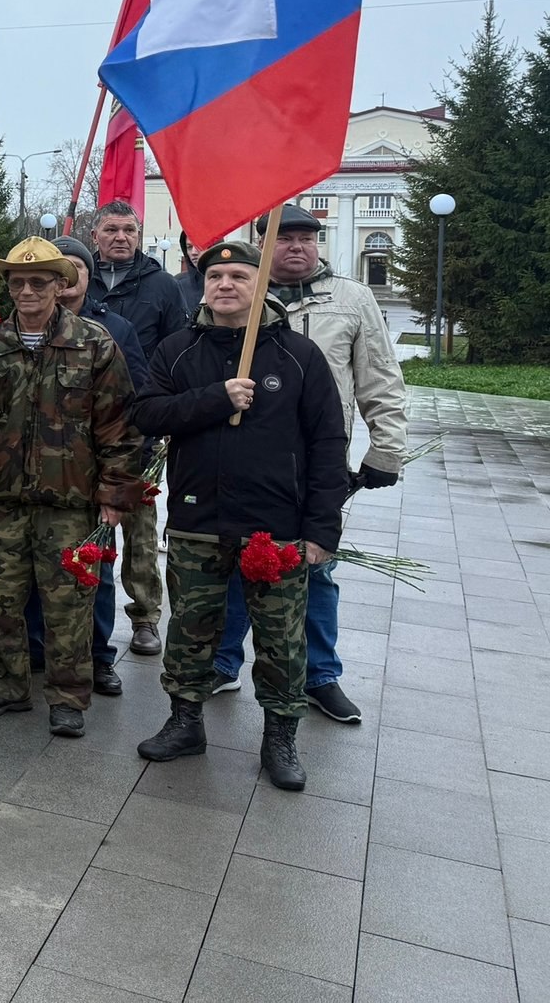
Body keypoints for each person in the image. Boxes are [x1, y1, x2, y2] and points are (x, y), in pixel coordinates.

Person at [135, 240, 349, 791]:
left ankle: (280, 736)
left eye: (238, 275)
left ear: (262, 286)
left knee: (281, 639)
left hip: (275, 526)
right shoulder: (179, 351)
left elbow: (328, 443)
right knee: (190, 630)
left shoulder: (300, 356)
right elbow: (147, 413)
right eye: (215, 276)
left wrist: (322, 528)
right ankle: (185, 722)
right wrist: (216, 398)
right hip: (197, 519)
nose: (225, 284)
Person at [212, 203, 408, 724]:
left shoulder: (352, 298)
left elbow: (380, 378)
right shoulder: (241, 293)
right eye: (284, 237)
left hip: (318, 463)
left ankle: (321, 674)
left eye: (307, 238)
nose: (296, 246)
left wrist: (386, 450)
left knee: (316, 568)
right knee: (232, 561)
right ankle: (223, 661)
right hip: (242, 459)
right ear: (265, 241)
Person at [0, 237, 140, 739]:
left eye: (39, 281)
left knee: (69, 606)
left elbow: (117, 428)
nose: (26, 290)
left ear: (60, 285)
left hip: (70, 506)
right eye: (17, 281)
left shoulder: (94, 344)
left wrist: (116, 494)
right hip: (4, 503)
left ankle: (68, 697)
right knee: (1, 602)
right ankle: (6, 686)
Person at [18, 236, 151, 696]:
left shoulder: (109, 333)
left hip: (83, 487)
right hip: (25, 488)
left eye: (72, 269)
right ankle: (38, 652)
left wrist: (118, 483)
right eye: (27, 279)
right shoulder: (9, 336)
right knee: (32, 580)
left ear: (78, 280)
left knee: (91, 575)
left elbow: (123, 414)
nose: (63, 279)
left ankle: (97, 657)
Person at [87, 200, 190, 657]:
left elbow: (178, 351)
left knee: (140, 526)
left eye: (129, 229)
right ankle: (86, 608)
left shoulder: (162, 286)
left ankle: (146, 614)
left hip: (140, 423)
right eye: (111, 229)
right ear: (95, 235)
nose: (120, 237)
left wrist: (167, 416)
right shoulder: (78, 278)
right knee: (87, 522)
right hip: (81, 426)